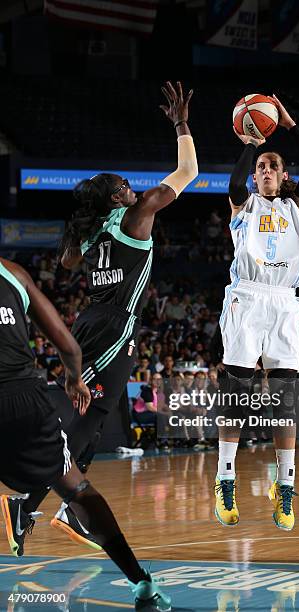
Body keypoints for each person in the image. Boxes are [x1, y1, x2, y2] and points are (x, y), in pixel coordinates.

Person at [4, 81, 198, 554]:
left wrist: (85, 221)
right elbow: (188, 171)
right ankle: (28, 501)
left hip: (96, 320)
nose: (133, 188)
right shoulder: (138, 215)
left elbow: (68, 262)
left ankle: (51, 502)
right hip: (113, 325)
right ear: (116, 198)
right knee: (83, 411)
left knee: (96, 411)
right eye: (124, 186)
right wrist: (180, 123)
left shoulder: (90, 235)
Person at [0, 258, 170, 611]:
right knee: (76, 487)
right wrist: (75, 378)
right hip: (24, 401)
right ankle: (141, 583)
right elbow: (69, 346)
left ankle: (25, 509)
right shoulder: (12, 274)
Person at [215, 94, 299, 531]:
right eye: (260, 166)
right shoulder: (243, 205)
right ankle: (224, 478)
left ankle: (285, 485)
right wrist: (251, 141)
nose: (264, 171)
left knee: (283, 399)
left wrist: (290, 125)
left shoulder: (296, 208)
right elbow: (235, 179)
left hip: (283, 302)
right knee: (237, 389)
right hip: (247, 296)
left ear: (283, 175)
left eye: (271, 166)